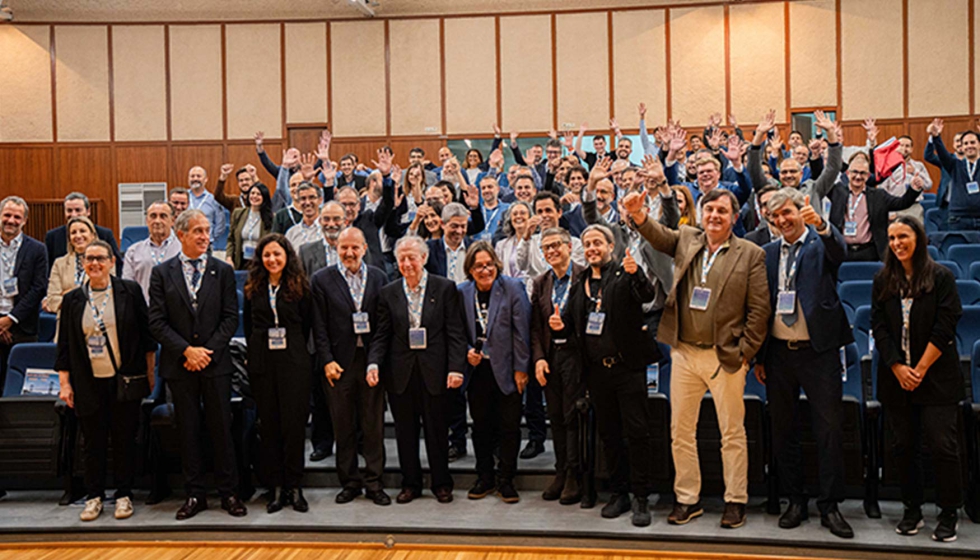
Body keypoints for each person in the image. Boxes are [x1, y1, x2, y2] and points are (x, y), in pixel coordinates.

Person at [626, 188, 770, 530]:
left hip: (725, 357)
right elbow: (660, 236)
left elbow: (760, 310)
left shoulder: (750, 253)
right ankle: (687, 499)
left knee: (731, 433)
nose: (715, 216)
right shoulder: (689, 238)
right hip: (685, 352)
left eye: (722, 211)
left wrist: (744, 353)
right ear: (702, 214)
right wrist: (639, 215)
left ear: (734, 217)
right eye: (709, 210)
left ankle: (735, 500)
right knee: (681, 432)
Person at [755, 188, 854, 539]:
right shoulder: (765, 253)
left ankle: (830, 506)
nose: (782, 220)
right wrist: (760, 357)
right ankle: (795, 500)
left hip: (819, 353)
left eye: (788, 213)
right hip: (779, 354)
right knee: (784, 430)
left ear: (801, 211)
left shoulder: (818, 245)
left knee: (828, 430)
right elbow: (761, 307)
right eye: (775, 216)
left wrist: (823, 226)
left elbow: (839, 251)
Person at [148, 209, 247, 520]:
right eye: (198, 231)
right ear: (181, 235)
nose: (206, 236)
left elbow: (231, 318)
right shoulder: (162, 273)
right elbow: (157, 322)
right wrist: (187, 351)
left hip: (215, 364)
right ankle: (195, 494)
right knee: (187, 431)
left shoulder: (223, 270)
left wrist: (205, 351)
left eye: (207, 230)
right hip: (180, 366)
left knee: (221, 430)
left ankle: (229, 493)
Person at [872, 216, 963, 543]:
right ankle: (913, 510)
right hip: (897, 378)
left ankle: (949, 512)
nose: (897, 243)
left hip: (935, 377)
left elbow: (945, 326)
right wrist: (897, 367)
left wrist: (920, 369)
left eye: (903, 236)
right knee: (903, 446)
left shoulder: (941, 277)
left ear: (919, 238)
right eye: (892, 237)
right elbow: (879, 328)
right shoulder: (883, 279)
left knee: (942, 445)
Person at [564, 224, 659, 527]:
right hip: (596, 373)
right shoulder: (579, 282)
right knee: (609, 435)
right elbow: (572, 321)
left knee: (638, 433)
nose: (592, 248)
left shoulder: (624, 273)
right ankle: (619, 493)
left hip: (627, 369)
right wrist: (558, 325)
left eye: (598, 243)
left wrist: (637, 274)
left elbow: (646, 295)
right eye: (587, 243)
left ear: (610, 246)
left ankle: (641, 496)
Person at [54, 240, 156, 522]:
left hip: (124, 379)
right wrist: (65, 383)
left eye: (100, 258)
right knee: (92, 443)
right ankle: (94, 496)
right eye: (89, 259)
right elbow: (64, 347)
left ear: (112, 262)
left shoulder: (129, 291)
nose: (94, 263)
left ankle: (124, 495)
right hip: (88, 382)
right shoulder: (73, 298)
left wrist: (149, 375)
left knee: (124, 440)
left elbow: (148, 339)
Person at [367, 236, 466, 504]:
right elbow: (382, 335)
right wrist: (373, 362)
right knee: (405, 433)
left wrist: (456, 368)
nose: (407, 263)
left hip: (436, 372)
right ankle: (410, 483)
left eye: (412, 257)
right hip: (401, 375)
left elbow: (456, 333)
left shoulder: (444, 288)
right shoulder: (388, 293)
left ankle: (441, 483)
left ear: (424, 258)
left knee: (436, 431)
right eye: (402, 259)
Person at [311, 227, 389, 506]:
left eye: (355, 247)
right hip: (338, 364)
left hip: (370, 362)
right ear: (336, 248)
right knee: (342, 426)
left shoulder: (379, 277)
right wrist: (327, 361)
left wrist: (376, 362)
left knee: (373, 426)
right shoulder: (321, 280)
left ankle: (374, 482)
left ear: (365, 248)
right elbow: (318, 327)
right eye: (344, 247)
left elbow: (383, 327)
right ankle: (350, 482)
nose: (349, 253)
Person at [242, 233, 313, 514]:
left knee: (293, 426)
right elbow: (248, 326)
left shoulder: (300, 287)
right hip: (262, 363)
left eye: (277, 254)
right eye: (267, 255)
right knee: (269, 425)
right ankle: (276, 488)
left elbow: (307, 324)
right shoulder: (253, 287)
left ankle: (295, 486)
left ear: (287, 257)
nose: (272, 259)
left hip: (294, 362)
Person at [458, 242, 531, 504]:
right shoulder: (462, 292)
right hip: (477, 371)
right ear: (470, 269)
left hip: (508, 369)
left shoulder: (512, 288)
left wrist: (522, 368)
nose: (484, 269)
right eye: (478, 266)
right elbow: (457, 332)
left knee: (509, 427)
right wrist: (467, 351)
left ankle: (506, 480)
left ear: (496, 265)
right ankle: (484, 477)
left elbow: (522, 332)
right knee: (480, 428)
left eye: (488, 264)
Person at [531, 227, 586, 505]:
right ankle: (561, 472)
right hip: (550, 358)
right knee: (555, 416)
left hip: (576, 356)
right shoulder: (541, 282)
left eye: (556, 245)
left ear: (569, 246)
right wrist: (539, 358)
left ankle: (575, 475)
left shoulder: (584, 277)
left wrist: (567, 329)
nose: (551, 251)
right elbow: (535, 326)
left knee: (571, 417)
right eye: (546, 248)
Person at [826, 153, 922, 261]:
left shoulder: (878, 195)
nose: (858, 176)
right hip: (841, 251)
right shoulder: (837, 191)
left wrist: (914, 189)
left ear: (868, 176)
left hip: (870, 252)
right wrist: (815, 157)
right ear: (848, 173)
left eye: (862, 173)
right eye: (855, 172)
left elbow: (902, 203)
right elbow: (819, 180)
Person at [0, 196, 48, 390]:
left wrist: (10, 319)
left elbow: (38, 288)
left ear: (25, 221)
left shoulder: (37, 249)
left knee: (18, 389)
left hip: (23, 327)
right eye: (7, 215)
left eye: (17, 217)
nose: (11, 220)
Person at [44, 192, 121, 273]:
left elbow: (118, 265)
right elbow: (48, 268)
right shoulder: (52, 236)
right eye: (69, 210)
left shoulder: (105, 234)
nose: (74, 214)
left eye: (78, 210)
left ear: (88, 211)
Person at [925, 119, 980, 230]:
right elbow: (941, 153)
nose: (969, 146)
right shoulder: (954, 164)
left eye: (972, 142)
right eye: (965, 143)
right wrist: (936, 137)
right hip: (958, 218)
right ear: (962, 147)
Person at [122, 201, 181, 303]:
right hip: (144, 311)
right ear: (147, 220)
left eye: (163, 216)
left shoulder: (183, 249)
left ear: (173, 221)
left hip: (176, 311)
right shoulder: (133, 251)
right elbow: (128, 287)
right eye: (153, 216)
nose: (157, 221)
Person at [44, 216, 101, 317]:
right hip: (66, 322)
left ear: (93, 235)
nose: (78, 236)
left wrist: (67, 295)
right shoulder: (59, 263)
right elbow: (52, 301)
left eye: (82, 231)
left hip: (96, 322)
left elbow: (104, 296)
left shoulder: (104, 261)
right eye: (73, 232)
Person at [227, 183, 273, 270]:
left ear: (264, 197)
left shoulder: (271, 218)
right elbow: (231, 239)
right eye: (252, 193)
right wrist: (229, 257)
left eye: (258, 194)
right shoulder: (238, 213)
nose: (254, 196)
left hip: (260, 262)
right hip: (240, 260)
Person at [186, 166, 229, 247]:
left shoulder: (213, 200)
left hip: (205, 243)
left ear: (206, 179)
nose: (195, 178)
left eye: (198, 176)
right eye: (192, 176)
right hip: (185, 242)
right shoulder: (183, 197)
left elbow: (220, 224)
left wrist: (210, 238)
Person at [495, 202, 533, 283]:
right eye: (515, 214)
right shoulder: (501, 245)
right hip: (509, 291)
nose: (518, 216)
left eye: (523, 213)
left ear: (530, 217)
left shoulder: (538, 242)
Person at [285, 182, 324, 251]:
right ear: (299, 202)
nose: (308, 202)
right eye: (303, 198)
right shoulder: (291, 234)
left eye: (312, 197)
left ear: (320, 200)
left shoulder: (327, 229)